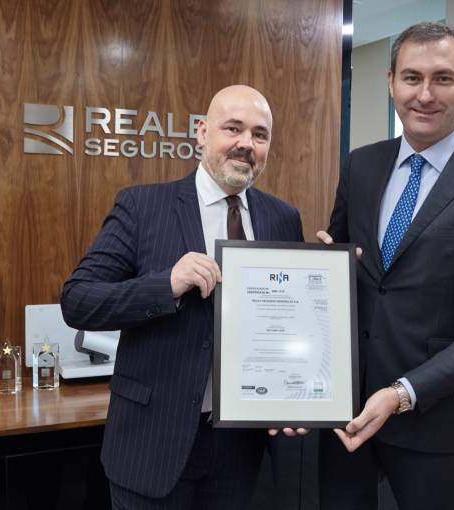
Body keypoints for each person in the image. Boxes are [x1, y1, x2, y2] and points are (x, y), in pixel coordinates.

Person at [317, 22, 454, 510]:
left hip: (438, 427)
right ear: (391, 81)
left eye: (443, 78)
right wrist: (323, 268)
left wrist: (402, 393)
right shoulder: (360, 165)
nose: (425, 94)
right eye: (412, 77)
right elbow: (348, 266)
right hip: (346, 413)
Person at [61, 84, 304, 510]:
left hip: (240, 449)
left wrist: (295, 396)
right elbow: (78, 300)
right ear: (202, 132)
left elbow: (287, 322)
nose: (246, 144)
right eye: (233, 128)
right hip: (152, 443)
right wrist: (166, 284)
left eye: (260, 134)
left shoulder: (283, 218)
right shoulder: (142, 207)